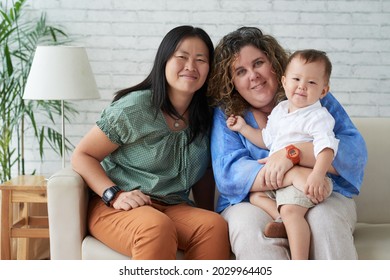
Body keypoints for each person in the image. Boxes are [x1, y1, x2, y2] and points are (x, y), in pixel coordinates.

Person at [71, 25, 231, 260]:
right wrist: (114, 195)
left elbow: (205, 172)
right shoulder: (134, 108)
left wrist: (204, 211)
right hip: (117, 207)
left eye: (201, 59)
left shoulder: (208, 116)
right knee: (156, 226)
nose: (191, 66)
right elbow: (82, 155)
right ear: (164, 60)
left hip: (174, 206)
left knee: (213, 226)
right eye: (182, 57)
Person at [208, 26, 367, 260]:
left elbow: (355, 152)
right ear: (232, 81)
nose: (253, 75)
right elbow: (229, 173)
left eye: (258, 63)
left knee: (325, 220)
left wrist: (294, 153)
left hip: (318, 189)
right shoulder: (228, 115)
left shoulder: (312, 95)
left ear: (274, 64)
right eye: (240, 71)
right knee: (251, 229)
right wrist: (292, 174)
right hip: (253, 202)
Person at [225, 49, 340, 259]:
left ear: (324, 91)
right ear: (285, 82)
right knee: (255, 195)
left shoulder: (318, 116)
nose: (302, 86)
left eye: (312, 83)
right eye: (296, 79)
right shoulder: (280, 110)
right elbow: (267, 140)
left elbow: (326, 148)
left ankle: (298, 261)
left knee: (292, 211)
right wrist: (243, 128)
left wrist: (316, 175)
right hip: (281, 182)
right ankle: (280, 220)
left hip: (306, 178)